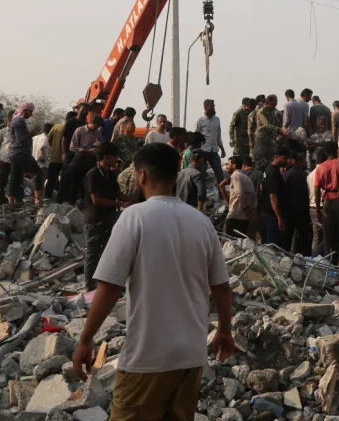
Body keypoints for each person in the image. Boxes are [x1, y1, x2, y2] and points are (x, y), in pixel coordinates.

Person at [71, 143, 234, 421]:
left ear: (142, 175)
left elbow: (110, 287)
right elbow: (221, 286)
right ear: (176, 175)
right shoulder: (201, 222)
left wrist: (85, 339)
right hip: (191, 357)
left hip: (148, 358)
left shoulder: (134, 217)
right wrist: (224, 331)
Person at [83, 143, 125, 291]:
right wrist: (118, 202)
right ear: (106, 157)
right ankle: (89, 287)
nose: (116, 160)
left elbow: (120, 194)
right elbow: (96, 200)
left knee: (107, 253)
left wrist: (134, 199)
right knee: (92, 255)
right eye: (114, 156)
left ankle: (101, 286)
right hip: (95, 220)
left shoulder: (110, 175)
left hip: (109, 219)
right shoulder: (93, 174)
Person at [313, 143, 339, 258]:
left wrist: (317, 208)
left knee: (328, 235)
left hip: (327, 201)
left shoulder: (321, 167)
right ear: (336, 150)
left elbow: (316, 189)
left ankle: (328, 260)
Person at [259, 148, 291, 248]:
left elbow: (262, 188)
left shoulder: (269, 170)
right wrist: (279, 218)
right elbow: (273, 196)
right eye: (284, 158)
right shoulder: (273, 172)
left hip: (266, 213)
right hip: (272, 215)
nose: (287, 161)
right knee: (272, 246)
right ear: (277, 157)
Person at [5, 103, 36, 206]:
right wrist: (31, 134)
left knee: (17, 177)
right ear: (25, 110)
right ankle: (37, 199)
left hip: (17, 153)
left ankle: (16, 201)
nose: (31, 114)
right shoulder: (19, 120)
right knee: (37, 174)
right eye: (30, 111)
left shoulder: (16, 119)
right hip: (19, 153)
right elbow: (20, 140)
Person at [283, 153, 313, 256]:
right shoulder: (306, 175)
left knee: (288, 237)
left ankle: (286, 257)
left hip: (289, 211)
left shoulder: (286, 175)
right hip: (303, 211)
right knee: (304, 237)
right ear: (300, 162)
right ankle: (304, 257)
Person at [220, 156, 256, 239]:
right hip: (244, 218)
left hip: (235, 216)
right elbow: (253, 196)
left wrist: (246, 208)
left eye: (228, 164)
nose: (226, 167)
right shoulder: (246, 178)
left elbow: (239, 193)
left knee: (230, 245)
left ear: (234, 165)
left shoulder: (235, 176)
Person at [195, 99, 227, 185]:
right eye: (212, 106)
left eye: (214, 106)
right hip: (204, 151)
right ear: (206, 107)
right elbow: (196, 136)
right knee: (202, 174)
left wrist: (222, 149)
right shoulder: (200, 121)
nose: (213, 108)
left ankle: (221, 192)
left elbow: (218, 135)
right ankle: (202, 195)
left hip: (214, 151)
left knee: (219, 172)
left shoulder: (217, 119)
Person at [45, 112, 72, 199]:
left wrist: (54, 147)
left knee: (51, 179)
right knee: (65, 180)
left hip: (55, 157)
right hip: (67, 158)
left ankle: (47, 197)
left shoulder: (56, 126)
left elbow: (49, 138)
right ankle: (60, 199)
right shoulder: (71, 127)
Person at [251, 96, 283, 168]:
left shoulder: (272, 111)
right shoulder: (262, 111)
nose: (276, 104)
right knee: (260, 159)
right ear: (269, 102)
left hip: (270, 139)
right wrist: (280, 130)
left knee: (271, 159)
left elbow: (276, 123)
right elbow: (267, 124)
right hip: (262, 139)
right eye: (275, 102)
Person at [33, 122, 53, 197]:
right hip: (43, 162)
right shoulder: (45, 138)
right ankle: (39, 197)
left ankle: (35, 197)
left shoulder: (35, 137)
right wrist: (42, 156)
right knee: (41, 181)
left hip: (34, 161)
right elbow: (43, 147)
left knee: (36, 181)